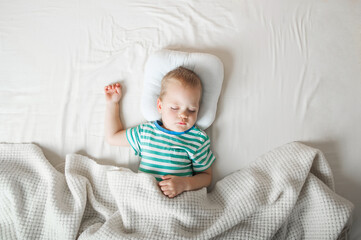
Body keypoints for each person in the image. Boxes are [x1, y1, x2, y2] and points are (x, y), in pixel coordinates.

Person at [104, 66, 215, 198]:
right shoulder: (146, 133)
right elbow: (113, 137)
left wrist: (185, 184)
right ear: (160, 106)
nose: (183, 115)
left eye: (191, 110)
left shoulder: (197, 139)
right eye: (174, 108)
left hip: (180, 201)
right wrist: (113, 104)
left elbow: (206, 177)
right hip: (145, 197)